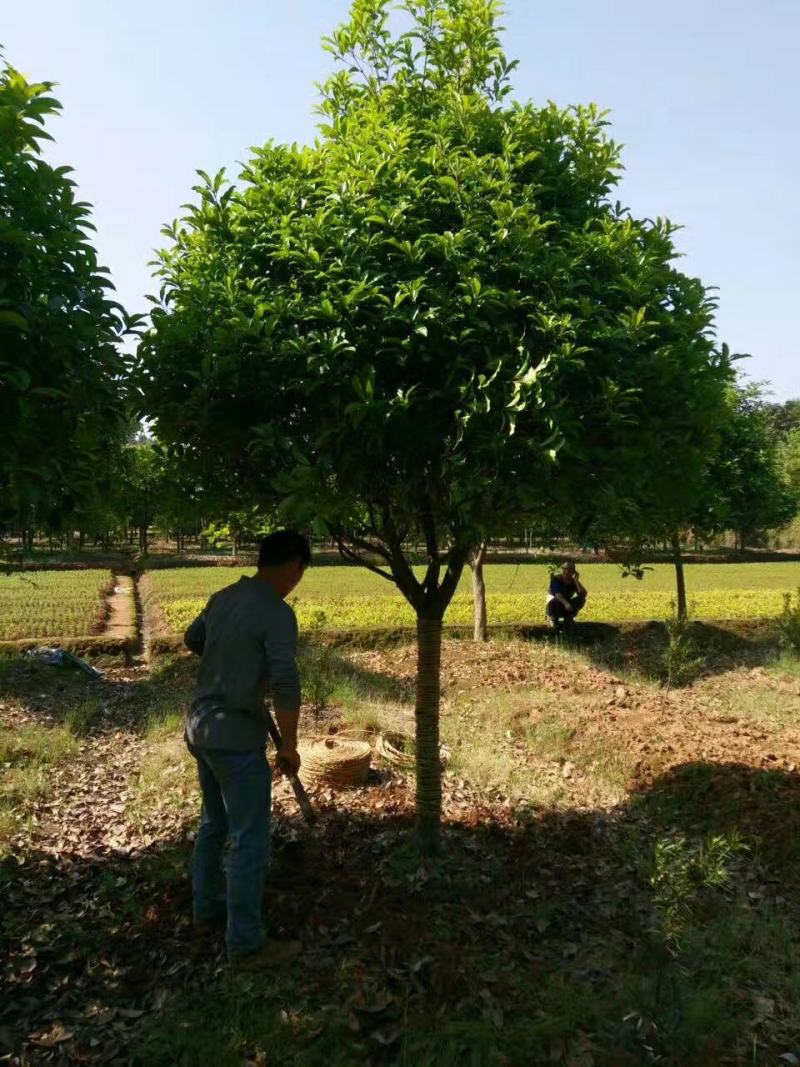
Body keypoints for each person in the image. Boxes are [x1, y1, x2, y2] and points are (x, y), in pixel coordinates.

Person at [183, 529, 311, 970]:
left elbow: (193, 639)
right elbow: (287, 682)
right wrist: (290, 746)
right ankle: (245, 944)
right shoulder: (277, 613)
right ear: (294, 566)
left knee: (214, 823)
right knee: (249, 838)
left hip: (200, 729)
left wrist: (231, 663)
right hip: (235, 739)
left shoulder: (224, 596)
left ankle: (207, 911)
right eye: (301, 572)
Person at [546, 560, 587, 631]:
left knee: (581, 599)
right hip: (554, 606)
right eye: (564, 568)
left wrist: (576, 580)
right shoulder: (556, 579)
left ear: (573, 572)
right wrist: (566, 603)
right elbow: (556, 593)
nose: (565, 571)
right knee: (555, 603)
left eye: (568, 569)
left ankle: (568, 618)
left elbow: (583, 594)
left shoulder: (572, 581)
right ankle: (554, 620)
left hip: (566, 607)